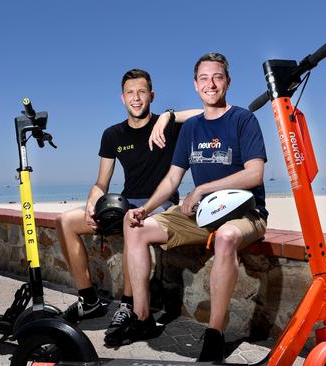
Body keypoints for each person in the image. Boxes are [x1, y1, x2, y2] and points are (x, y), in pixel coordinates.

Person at [108, 53, 268, 362]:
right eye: (204, 78)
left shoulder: (243, 119)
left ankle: (214, 335)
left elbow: (255, 174)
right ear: (196, 85)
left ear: (228, 82)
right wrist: (147, 208)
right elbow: (171, 179)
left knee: (225, 238)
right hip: (202, 215)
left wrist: (203, 188)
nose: (211, 84)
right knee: (134, 225)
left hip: (246, 214)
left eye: (217, 77)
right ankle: (141, 319)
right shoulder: (192, 127)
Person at [55, 69, 198, 327]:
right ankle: (89, 301)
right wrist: (91, 202)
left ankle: (128, 306)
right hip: (124, 202)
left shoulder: (169, 127)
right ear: (122, 98)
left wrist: (169, 116)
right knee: (65, 221)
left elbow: (208, 114)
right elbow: (101, 182)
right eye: (130, 93)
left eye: (142, 92)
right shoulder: (112, 135)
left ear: (151, 96)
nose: (136, 98)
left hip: (159, 203)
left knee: (131, 224)